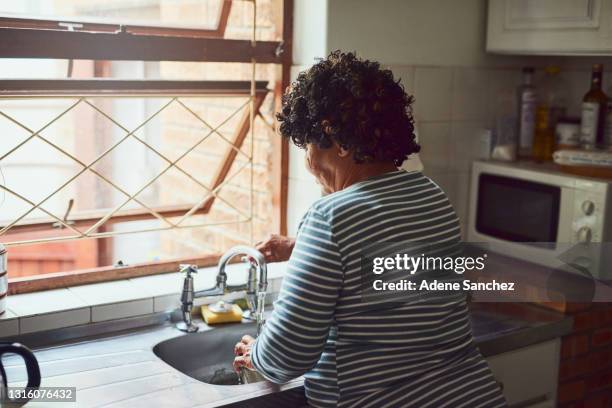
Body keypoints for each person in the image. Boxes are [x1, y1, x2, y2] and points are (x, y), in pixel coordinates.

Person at [233, 51, 507, 408]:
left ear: (338, 140)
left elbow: (289, 354)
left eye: (309, 145)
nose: (309, 161)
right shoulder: (431, 196)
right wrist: (299, 246)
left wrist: (256, 354)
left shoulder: (330, 216)